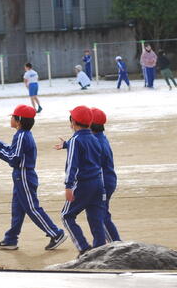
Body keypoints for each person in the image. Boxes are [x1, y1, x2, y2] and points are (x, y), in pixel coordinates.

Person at [0, 104, 66, 252]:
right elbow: (14, 151)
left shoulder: (21, 135)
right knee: (17, 209)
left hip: (23, 176)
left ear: (19, 120)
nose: (11, 119)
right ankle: (11, 239)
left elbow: (14, 159)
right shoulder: (22, 135)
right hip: (21, 176)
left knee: (32, 208)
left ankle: (56, 233)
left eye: (13, 117)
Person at [55, 105, 106, 256]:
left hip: (83, 184)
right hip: (98, 183)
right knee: (96, 218)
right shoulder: (94, 138)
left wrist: (68, 186)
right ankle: (101, 250)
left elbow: (72, 165)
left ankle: (83, 248)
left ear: (73, 122)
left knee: (66, 216)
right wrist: (67, 145)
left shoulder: (76, 140)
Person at [89, 108, 120, 243]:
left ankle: (116, 245)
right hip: (107, 180)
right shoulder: (98, 137)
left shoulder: (97, 142)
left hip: (103, 183)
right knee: (100, 214)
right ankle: (111, 244)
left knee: (100, 215)